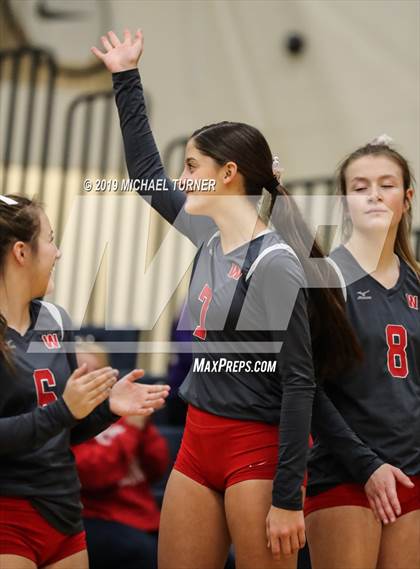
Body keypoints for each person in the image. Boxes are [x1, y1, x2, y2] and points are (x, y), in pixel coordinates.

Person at [92, 29, 363, 569]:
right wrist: (126, 77)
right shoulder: (207, 236)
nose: (183, 177)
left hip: (255, 450)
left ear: (228, 175)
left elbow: (300, 383)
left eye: (193, 167)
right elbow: (146, 179)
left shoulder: (277, 263)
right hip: (197, 439)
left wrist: (288, 498)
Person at [0, 195, 170, 569]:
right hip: (8, 514)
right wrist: (63, 410)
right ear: (21, 253)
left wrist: (108, 409)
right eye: (50, 238)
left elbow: (64, 430)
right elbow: (55, 417)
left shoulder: (56, 320)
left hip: (64, 512)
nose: (58, 252)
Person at [305, 137, 420, 569]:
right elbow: (305, 388)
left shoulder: (416, 283)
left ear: (406, 198)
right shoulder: (326, 278)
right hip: (346, 475)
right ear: (345, 201)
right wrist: (367, 466)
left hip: (411, 475)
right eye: (359, 186)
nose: (373, 194)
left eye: (386, 185)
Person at [73, 345, 170, 569]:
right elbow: (95, 477)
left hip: (144, 518)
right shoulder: (68, 423)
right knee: (151, 558)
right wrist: (132, 432)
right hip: (99, 519)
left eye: (97, 373)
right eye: (82, 373)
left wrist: (144, 428)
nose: (92, 380)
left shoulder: (123, 413)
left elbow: (157, 469)